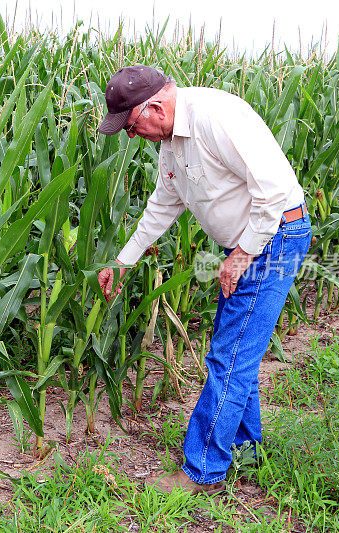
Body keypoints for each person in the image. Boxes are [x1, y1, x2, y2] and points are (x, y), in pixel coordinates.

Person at [97, 65, 311, 495]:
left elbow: (272, 189)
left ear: (155, 107)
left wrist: (243, 254)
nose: (133, 137)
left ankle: (201, 470)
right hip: (249, 245)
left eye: (133, 126)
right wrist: (124, 260)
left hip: (274, 240)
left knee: (229, 358)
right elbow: (163, 203)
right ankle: (247, 451)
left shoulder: (217, 118)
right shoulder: (173, 145)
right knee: (235, 350)